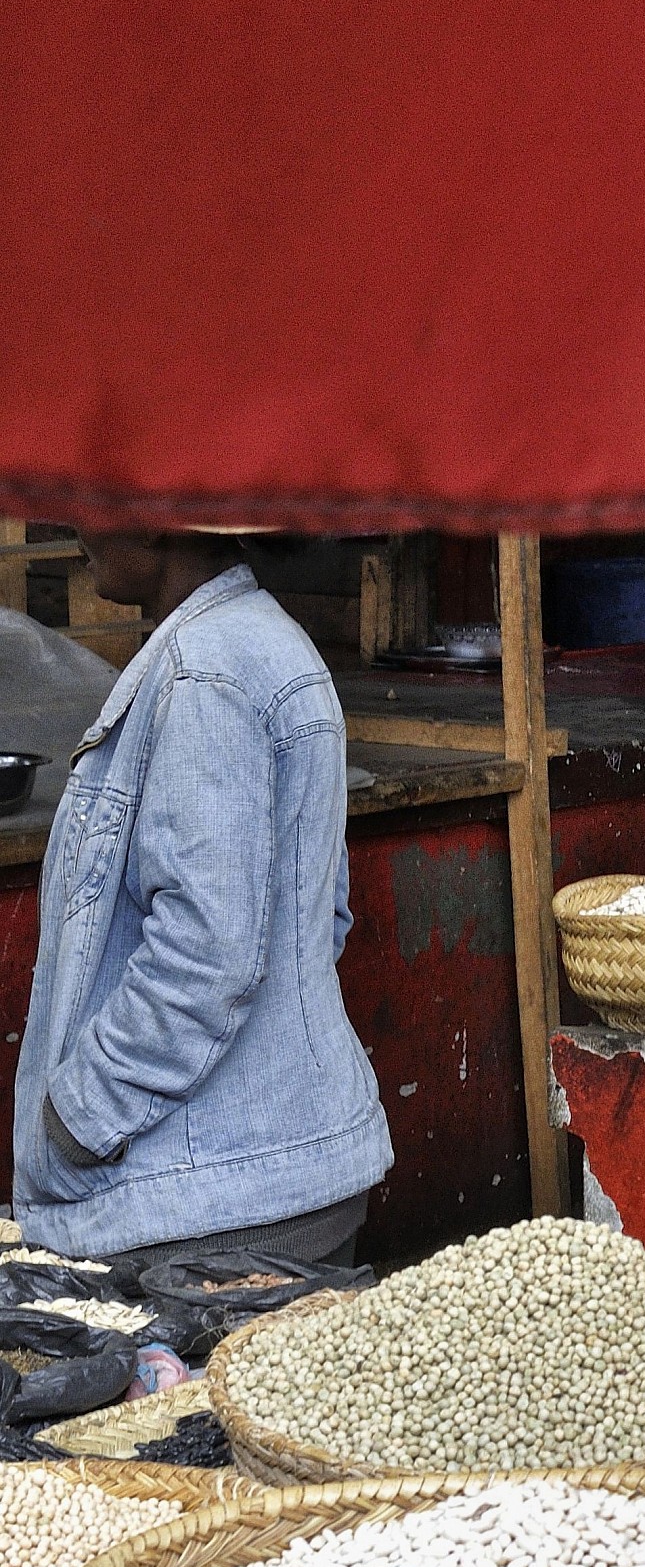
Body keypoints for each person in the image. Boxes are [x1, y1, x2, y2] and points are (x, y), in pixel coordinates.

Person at [12, 528, 392, 1263]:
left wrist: (79, 1113)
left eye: (99, 496)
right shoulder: (269, 643)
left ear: (161, 516)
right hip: (275, 1178)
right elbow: (322, 914)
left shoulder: (205, 671)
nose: (76, 526)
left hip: (213, 1205)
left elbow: (208, 954)